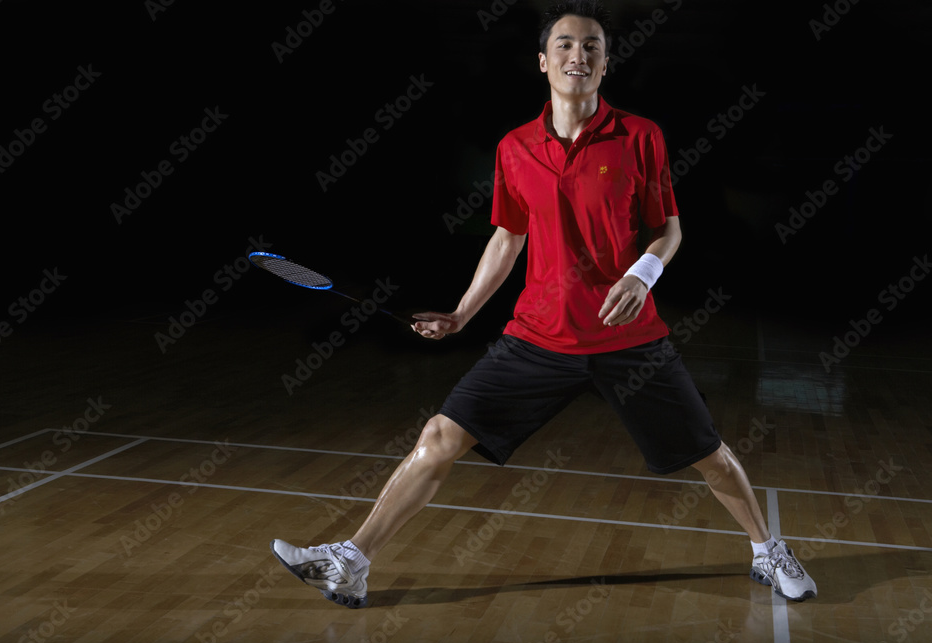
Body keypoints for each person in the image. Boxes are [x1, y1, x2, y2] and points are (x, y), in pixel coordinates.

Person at [271, 0, 816, 608]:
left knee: (709, 455)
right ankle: (352, 560)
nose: (576, 55)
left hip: (628, 338)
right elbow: (507, 237)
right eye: (564, 45)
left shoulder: (641, 137)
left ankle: (767, 550)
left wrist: (642, 275)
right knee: (439, 436)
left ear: (606, 64)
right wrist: (461, 314)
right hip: (538, 335)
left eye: (590, 47)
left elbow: (669, 229)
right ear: (542, 61)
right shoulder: (515, 147)